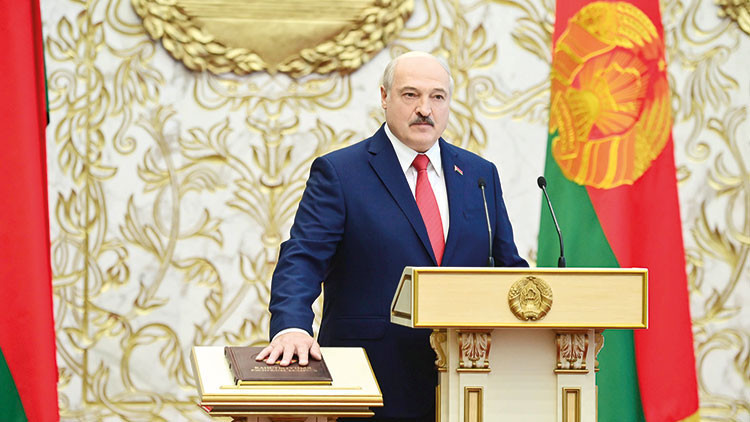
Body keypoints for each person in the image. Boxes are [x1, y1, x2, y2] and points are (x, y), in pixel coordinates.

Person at [256, 51, 528, 421]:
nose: (425, 109)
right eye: (410, 95)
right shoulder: (341, 172)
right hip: (372, 380)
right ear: (384, 97)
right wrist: (291, 327)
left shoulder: (480, 174)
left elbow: (508, 269)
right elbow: (302, 258)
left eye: (437, 97)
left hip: (469, 384)